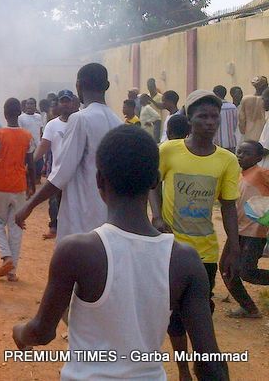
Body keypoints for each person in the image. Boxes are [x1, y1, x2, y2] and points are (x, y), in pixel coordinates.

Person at [12, 125, 229, 381]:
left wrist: (20, 331)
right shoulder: (184, 259)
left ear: (99, 180)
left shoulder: (77, 251)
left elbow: (42, 332)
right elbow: (210, 362)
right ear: (154, 181)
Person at [149, 90, 240, 381]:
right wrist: (158, 215)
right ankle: (183, 370)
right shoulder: (169, 151)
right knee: (174, 314)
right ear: (189, 118)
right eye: (203, 116)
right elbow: (153, 185)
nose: (210, 122)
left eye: (214, 117)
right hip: (170, 249)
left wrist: (233, 247)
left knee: (201, 312)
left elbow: (228, 206)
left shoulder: (227, 161)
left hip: (206, 252)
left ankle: (204, 367)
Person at [15, 63, 122, 241]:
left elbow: (61, 174)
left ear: (78, 86)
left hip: (80, 220)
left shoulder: (80, 119)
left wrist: (29, 205)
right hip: (109, 220)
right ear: (107, 86)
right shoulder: (117, 122)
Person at [0, 99, 35, 282]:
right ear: (19, 112)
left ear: (5, 114)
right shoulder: (27, 136)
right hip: (19, 186)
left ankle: (6, 256)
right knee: (16, 226)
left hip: (0, 185)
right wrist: (31, 185)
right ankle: (12, 271)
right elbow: (31, 163)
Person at [223, 140, 269, 319]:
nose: (240, 156)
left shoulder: (261, 173)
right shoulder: (240, 174)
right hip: (237, 230)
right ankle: (249, 308)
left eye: (246, 153)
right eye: (239, 152)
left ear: (258, 157)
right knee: (227, 268)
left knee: (247, 272)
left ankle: (249, 308)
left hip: (255, 232)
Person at [33, 90, 79, 240]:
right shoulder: (52, 125)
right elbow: (43, 146)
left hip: (77, 175)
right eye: (62, 101)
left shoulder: (80, 122)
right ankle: (54, 228)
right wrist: (30, 162)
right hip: (57, 172)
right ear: (59, 103)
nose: (65, 104)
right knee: (54, 201)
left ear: (73, 103)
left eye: (68, 101)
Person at [18, 98, 43, 178]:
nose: (29, 106)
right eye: (28, 104)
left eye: (31, 104)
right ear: (25, 105)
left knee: (38, 167)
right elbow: (20, 132)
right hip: (26, 147)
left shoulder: (38, 117)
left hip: (37, 146)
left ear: (35, 106)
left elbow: (40, 130)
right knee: (25, 167)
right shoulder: (21, 118)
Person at [239, 76, 268, 142]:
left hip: (249, 135)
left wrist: (243, 132)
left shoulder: (245, 99)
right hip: (264, 136)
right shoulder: (266, 100)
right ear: (266, 85)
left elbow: (241, 119)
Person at [214, 85, 238, 152]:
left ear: (214, 94)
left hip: (217, 143)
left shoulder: (214, 108)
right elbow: (236, 124)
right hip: (231, 143)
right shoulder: (233, 107)